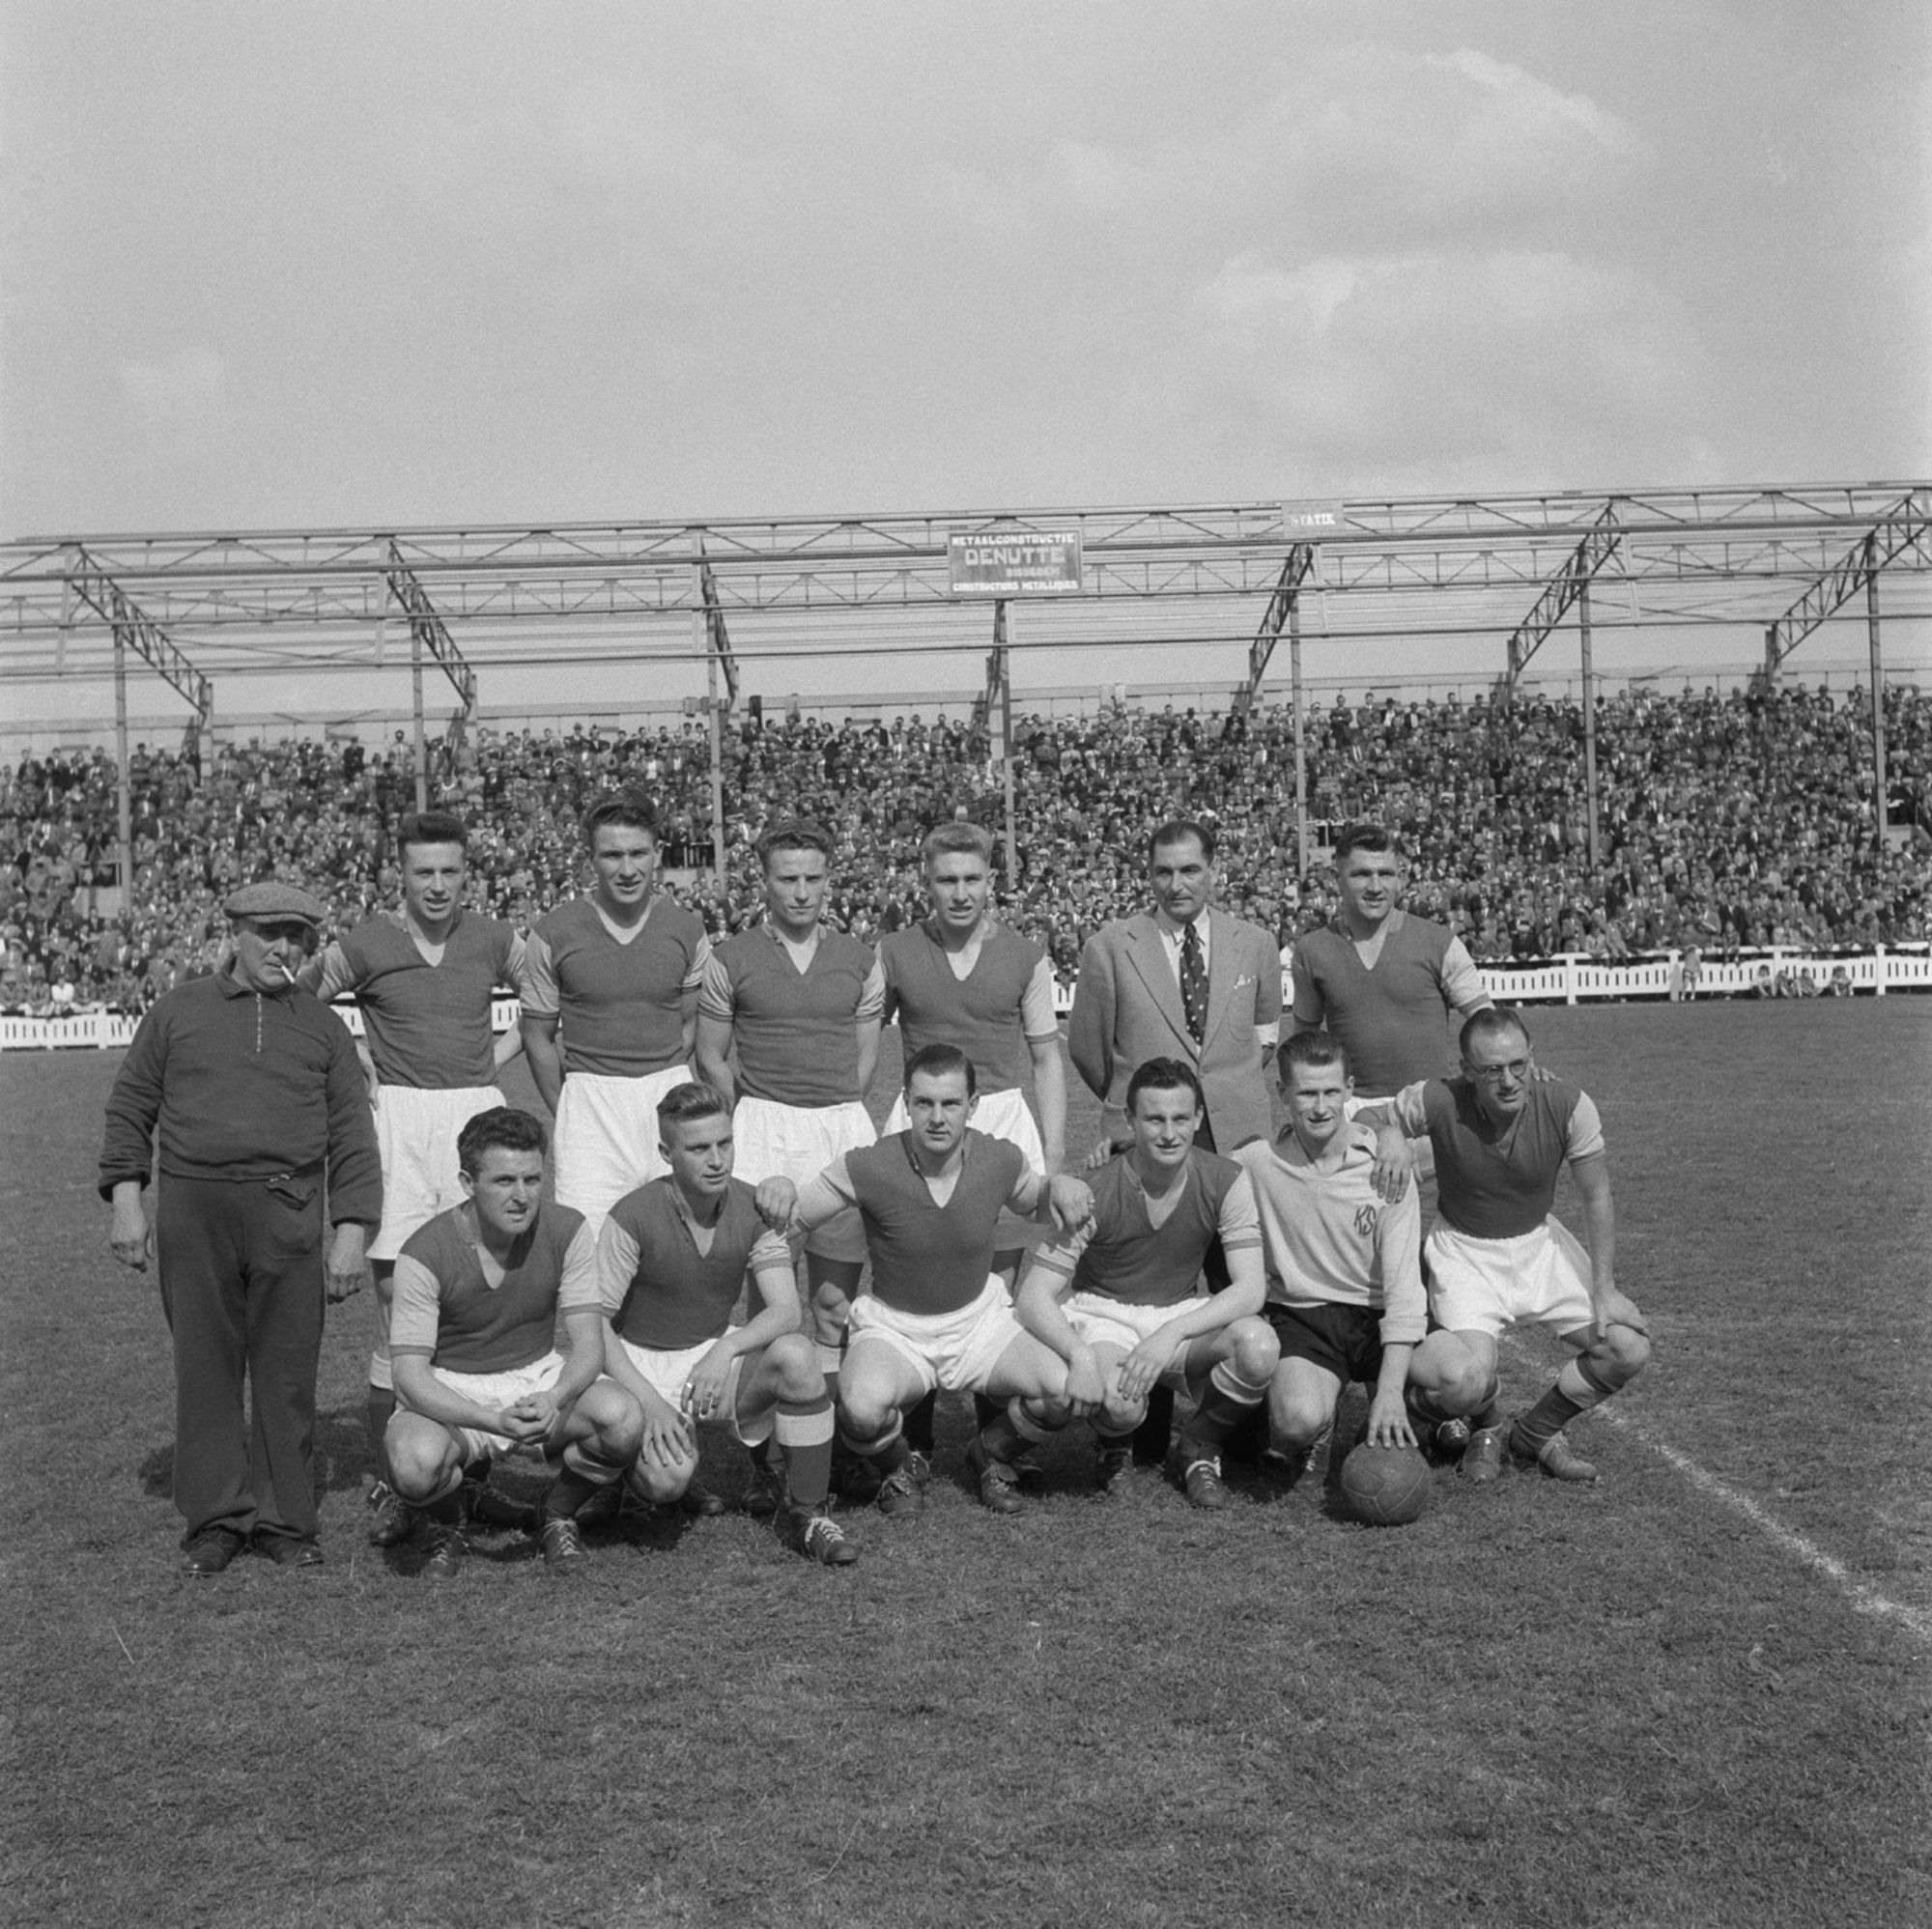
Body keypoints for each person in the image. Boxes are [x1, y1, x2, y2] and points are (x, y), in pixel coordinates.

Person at [99, 881, 383, 1574]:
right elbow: (130, 1107)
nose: (281, 947)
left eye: (296, 935)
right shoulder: (177, 1010)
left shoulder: (321, 1027)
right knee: (206, 1367)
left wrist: (350, 1229)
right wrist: (127, 1202)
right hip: (196, 1210)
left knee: (287, 1372)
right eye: (266, 932)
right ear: (234, 932)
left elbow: (352, 1133)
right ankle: (217, 1517)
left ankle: (286, 1519)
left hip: (289, 1210)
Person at [297, 808, 530, 1546]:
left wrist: (495, 1059)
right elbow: (306, 996)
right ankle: (402, 1480)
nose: (437, 885)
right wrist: (356, 1058)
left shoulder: (493, 937)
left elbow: (547, 997)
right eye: (422, 872)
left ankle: (475, 1475)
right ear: (399, 874)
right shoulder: (367, 940)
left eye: (450, 871)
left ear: (468, 872)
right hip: (397, 1121)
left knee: (485, 1285)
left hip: (475, 1118)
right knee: (401, 1303)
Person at [757, 1045, 1095, 1518]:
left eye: (951, 1103)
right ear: (907, 1103)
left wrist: (1057, 1184)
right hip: (896, 1329)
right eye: (925, 1103)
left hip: (980, 1322)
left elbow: (1036, 1198)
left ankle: (991, 1454)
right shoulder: (868, 1164)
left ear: (973, 1105)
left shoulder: (1000, 1158)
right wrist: (782, 1186)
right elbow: (795, 1218)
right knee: (859, 1408)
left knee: (1060, 1388)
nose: (938, 1118)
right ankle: (902, 1465)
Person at [1356, 1007, 1652, 1484]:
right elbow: (1369, 1115)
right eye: (1492, 1070)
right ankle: (1483, 1424)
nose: (1509, 1080)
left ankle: (1535, 1434)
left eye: (1518, 1065)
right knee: (1466, 1381)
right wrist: (1389, 1133)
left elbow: (1597, 1194)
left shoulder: (1569, 1103)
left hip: (1541, 1245)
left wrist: (1605, 1286)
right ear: (1467, 1071)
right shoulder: (1437, 1098)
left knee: (1627, 1349)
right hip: (1465, 1253)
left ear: (1532, 1058)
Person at [1067, 818, 1281, 1461]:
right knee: (1146, 1280)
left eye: (1190, 869)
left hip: (1236, 1136)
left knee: (1236, 1276)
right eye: (1163, 871)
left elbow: (1266, 1031)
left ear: (1214, 869)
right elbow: (1087, 1046)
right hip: (1149, 1134)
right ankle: (1142, 1429)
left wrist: (1226, 1093)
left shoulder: (1256, 942)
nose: (1177, 883)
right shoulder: (1111, 945)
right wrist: (1135, 1107)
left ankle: (1235, 1429)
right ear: (1148, 873)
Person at [596, 1082, 857, 1566]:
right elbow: (593, 1326)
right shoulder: (631, 1216)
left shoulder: (753, 1209)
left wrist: (725, 1348)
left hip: (708, 1359)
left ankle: (808, 1514)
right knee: (665, 1481)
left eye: (724, 1143)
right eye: (698, 1148)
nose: (717, 1160)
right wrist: (650, 1403)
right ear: (666, 1152)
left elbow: (785, 1310)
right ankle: (628, 1482)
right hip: (638, 1368)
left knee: (797, 1356)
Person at [384, 1107, 644, 1576]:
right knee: (413, 1464)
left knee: (622, 1420)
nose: (522, 1196)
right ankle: (450, 1522)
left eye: (533, 1179)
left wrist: (555, 1396)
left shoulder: (568, 1229)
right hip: (455, 1387)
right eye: (504, 1181)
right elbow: (408, 1376)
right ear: (467, 1182)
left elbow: (588, 1345)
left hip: (537, 1376)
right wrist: (490, 1421)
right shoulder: (423, 1253)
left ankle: (557, 1512)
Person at [878, 820, 1067, 1459]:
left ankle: (995, 1445)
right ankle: (915, 1442)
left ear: (991, 881)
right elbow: (852, 1039)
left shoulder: (1025, 954)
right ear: (925, 882)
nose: (960, 893)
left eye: (972, 879)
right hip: (922, 1120)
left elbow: (1046, 1058)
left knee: (1003, 1285)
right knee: (913, 1273)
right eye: (946, 880)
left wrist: (1056, 1154)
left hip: (1001, 1119)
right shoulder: (895, 951)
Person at [1015, 1058, 1276, 1508]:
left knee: (1260, 1345)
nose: (1169, 1133)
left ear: (1198, 1118)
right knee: (1122, 1405)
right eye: (1154, 1119)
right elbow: (1033, 1296)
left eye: (1180, 1118)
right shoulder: (1092, 1188)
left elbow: (1251, 1290)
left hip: (1175, 1314)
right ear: (1130, 1121)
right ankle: (1111, 1448)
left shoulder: (1225, 1179)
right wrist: (1078, 1355)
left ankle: (1197, 1446)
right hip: (1104, 1315)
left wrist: (1172, 1331)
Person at [695, 820, 882, 1440]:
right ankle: (762, 1449)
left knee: (832, 1306)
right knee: (773, 1307)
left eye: (813, 878)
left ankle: (824, 1442)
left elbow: (865, 1059)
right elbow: (711, 1055)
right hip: (764, 1132)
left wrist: (831, 1104)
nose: (801, 892)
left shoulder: (860, 958)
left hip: (840, 1131)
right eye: (787, 878)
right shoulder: (733, 958)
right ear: (764, 881)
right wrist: (749, 1112)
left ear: (829, 879)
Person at [1231, 1032, 1425, 1485]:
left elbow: (1402, 1290)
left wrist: (1392, 1392)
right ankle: (1319, 1429)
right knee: (1294, 1420)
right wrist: (1119, 1152)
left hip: (1377, 1318)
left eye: (1331, 1092)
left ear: (1350, 1090)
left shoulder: (1387, 1164)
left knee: (1458, 1378)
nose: (1320, 1107)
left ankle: (1440, 1417)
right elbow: (1193, 1174)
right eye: (1307, 1093)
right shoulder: (1257, 1161)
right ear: (1283, 1095)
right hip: (1304, 1319)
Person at [521, 789, 710, 1233]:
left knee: (674, 1249)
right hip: (590, 1103)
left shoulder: (688, 930)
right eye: (612, 855)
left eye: (638, 853)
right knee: (590, 1251)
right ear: (591, 860)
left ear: (658, 853)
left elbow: (688, 1023)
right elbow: (537, 1036)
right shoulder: (552, 933)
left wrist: (655, 1077)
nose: (627, 870)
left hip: (667, 1096)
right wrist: (569, 1104)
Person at [1290, 822, 1492, 1113]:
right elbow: (1304, 1044)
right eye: (1361, 874)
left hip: (1429, 1108)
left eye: (1385, 874)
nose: (1375, 887)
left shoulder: (1439, 942)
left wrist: (1521, 1065)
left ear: (1401, 878)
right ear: (1337, 879)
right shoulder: (1312, 950)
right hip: (1350, 1113)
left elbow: (1487, 1021)